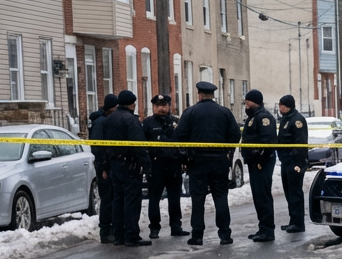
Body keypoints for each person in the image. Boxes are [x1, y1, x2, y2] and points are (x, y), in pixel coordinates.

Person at [174, 81, 241, 246]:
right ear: (213, 95)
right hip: (219, 160)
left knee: (198, 199)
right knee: (221, 197)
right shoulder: (224, 112)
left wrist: (186, 157)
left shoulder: (190, 112)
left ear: (199, 94)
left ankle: (197, 235)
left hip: (198, 161)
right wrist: (226, 149)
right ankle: (225, 234)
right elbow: (235, 134)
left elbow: (179, 136)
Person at [100, 90, 152, 247]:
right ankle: (131, 235)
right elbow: (139, 145)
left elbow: (104, 145)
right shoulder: (131, 120)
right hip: (129, 165)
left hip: (115, 165)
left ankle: (118, 235)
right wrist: (147, 165)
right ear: (133, 104)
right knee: (131, 201)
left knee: (118, 200)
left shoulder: (108, 120)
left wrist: (106, 166)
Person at [141, 94, 188, 238]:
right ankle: (154, 228)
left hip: (174, 165)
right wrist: (146, 165)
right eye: (158, 106)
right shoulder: (147, 123)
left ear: (169, 106)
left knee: (175, 198)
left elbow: (183, 142)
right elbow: (143, 145)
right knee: (154, 198)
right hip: (156, 165)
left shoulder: (176, 122)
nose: (161, 108)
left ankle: (176, 227)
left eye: (164, 105)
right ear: (154, 107)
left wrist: (183, 160)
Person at [241, 89, 277, 242]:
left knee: (263, 196)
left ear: (255, 101)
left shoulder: (263, 118)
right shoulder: (254, 117)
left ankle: (268, 230)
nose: (246, 104)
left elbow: (267, 142)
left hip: (261, 163)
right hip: (254, 163)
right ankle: (263, 227)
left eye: (248, 101)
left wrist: (259, 160)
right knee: (258, 196)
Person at [275, 95, 308, 233]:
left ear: (287, 105)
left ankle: (298, 222)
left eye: (281, 105)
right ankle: (293, 220)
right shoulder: (286, 119)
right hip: (286, 161)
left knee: (295, 193)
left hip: (294, 162)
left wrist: (295, 161)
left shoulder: (297, 120)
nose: (279, 107)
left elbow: (300, 143)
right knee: (289, 193)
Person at [88, 94, 118, 244]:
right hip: (103, 165)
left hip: (107, 164)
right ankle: (105, 231)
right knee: (107, 198)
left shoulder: (104, 120)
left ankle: (111, 228)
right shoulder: (101, 122)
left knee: (111, 197)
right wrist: (104, 167)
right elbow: (99, 147)